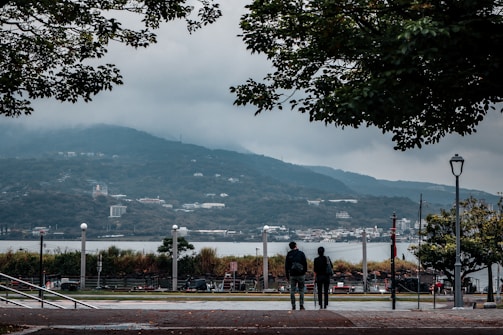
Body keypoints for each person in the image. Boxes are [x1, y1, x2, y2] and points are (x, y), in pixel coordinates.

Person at [285, 241, 307, 310]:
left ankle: (293, 305)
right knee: (301, 290)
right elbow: (305, 264)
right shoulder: (301, 253)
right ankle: (301, 305)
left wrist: (287, 276)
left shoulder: (289, 254)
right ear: (296, 246)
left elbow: (286, 266)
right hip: (301, 274)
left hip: (292, 275)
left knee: (292, 290)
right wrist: (304, 272)